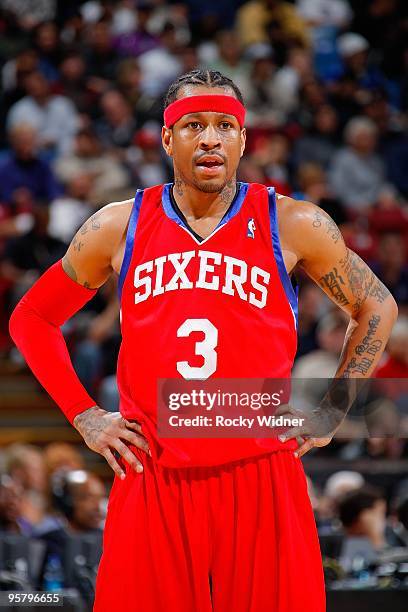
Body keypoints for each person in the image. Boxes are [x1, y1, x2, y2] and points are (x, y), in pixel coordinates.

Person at [9, 69, 398, 611]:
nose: (210, 137)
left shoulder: (294, 222)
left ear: (243, 138)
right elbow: (31, 319)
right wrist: (85, 414)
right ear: (168, 138)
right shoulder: (118, 226)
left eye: (224, 125)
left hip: (260, 471)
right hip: (153, 473)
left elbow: (375, 303)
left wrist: (336, 407)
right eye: (193, 125)